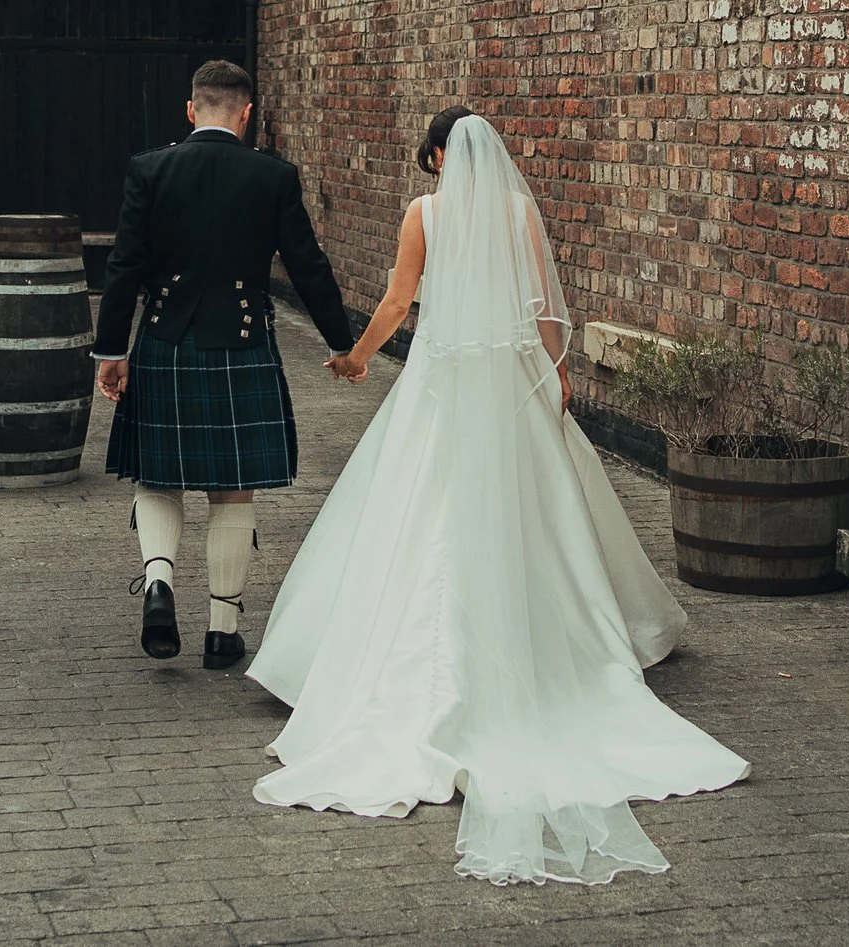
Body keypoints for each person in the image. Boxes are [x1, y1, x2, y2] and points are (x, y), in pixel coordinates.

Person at [249, 109, 748, 884]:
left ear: (442, 154)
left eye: (434, 155)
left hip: (443, 384)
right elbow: (544, 303)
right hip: (510, 379)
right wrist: (559, 372)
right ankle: (557, 650)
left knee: (417, 518)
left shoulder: (425, 213)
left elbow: (397, 301)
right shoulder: (519, 211)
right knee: (539, 518)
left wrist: (355, 357)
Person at [91, 60, 359, 669]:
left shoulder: (149, 168)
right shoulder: (273, 176)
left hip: (163, 341)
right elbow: (307, 265)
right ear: (246, 115)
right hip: (242, 345)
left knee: (158, 476)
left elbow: (123, 267)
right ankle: (221, 629)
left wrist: (111, 352)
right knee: (233, 489)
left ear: (191, 110)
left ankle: (159, 584)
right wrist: (342, 345)